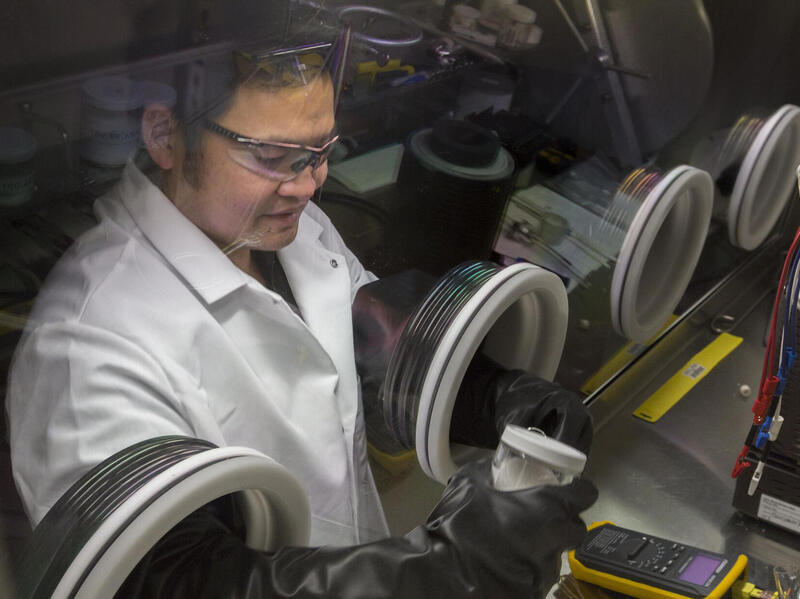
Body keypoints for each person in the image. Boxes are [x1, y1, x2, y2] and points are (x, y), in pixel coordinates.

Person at [6, 29, 596, 598]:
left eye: (322, 153)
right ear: (164, 135)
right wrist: (433, 577)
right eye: (272, 156)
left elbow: (372, 341)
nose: (308, 186)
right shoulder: (85, 347)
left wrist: (499, 398)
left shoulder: (285, 228)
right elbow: (177, 581)